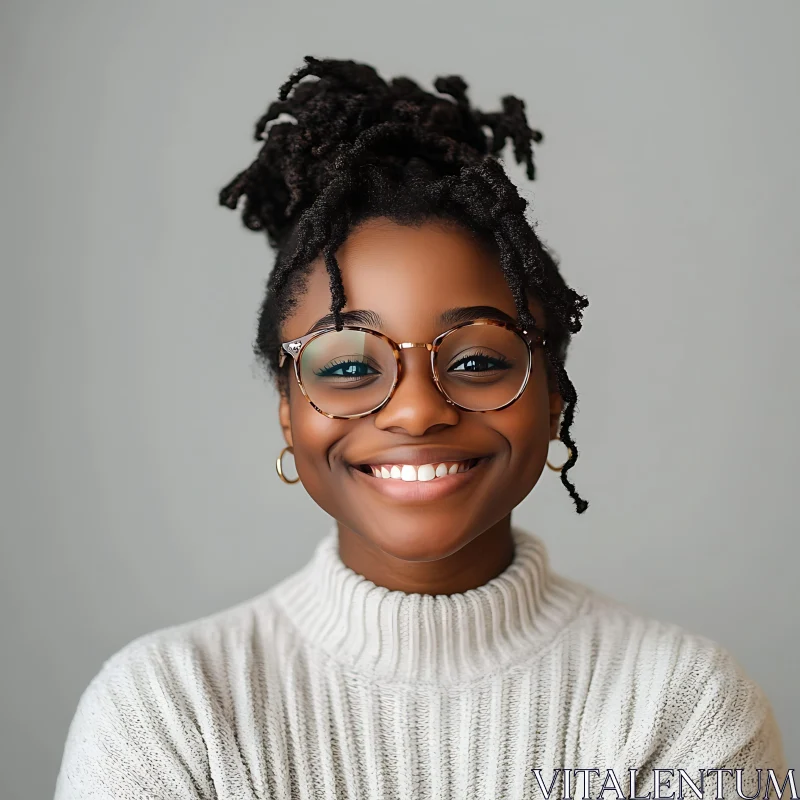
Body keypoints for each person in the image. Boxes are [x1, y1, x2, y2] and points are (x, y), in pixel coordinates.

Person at [55, 56, 788, 799]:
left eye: (476, 360)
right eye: (347, 367)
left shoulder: (686, 707)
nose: (415, 410)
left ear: (554, 397)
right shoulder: (165, 711)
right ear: (288, 408)